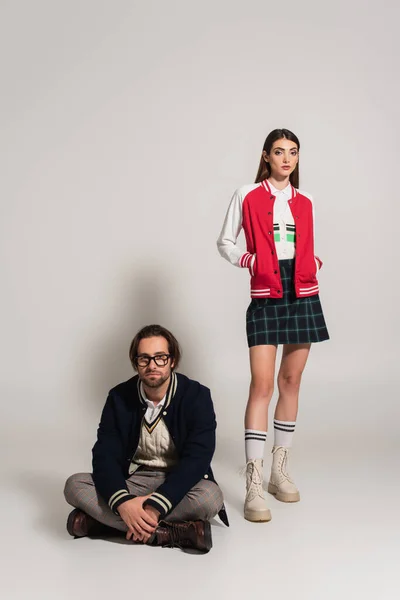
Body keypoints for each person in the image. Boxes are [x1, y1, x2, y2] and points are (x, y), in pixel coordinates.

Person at [217, 128, 329, 522]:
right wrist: (251, 262)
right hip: (267, 291)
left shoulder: (307, 200)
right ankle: (253, 481)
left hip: (303, 291)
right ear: (266, 156)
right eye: (279, 152)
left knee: (291, 382)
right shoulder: (246, 194)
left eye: (293, 152)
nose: (286, 159)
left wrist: (313, 262)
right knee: (262, 384)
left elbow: (306, 242)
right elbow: (225, 242)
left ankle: (280, 472)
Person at [64, 324, 228, 552]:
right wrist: (123, 503)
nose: (152, 365)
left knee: (210, 498)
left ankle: (99, 524)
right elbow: (104, 455)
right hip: (134, 479)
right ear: (136, 363)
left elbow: (198, 458)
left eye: (160, 358)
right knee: (74, 485)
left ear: (172, 360)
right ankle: (169, 534)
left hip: (180, 482)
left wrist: (155, 506)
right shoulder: (118, 397)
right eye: (144, 359)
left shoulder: (197, 396)